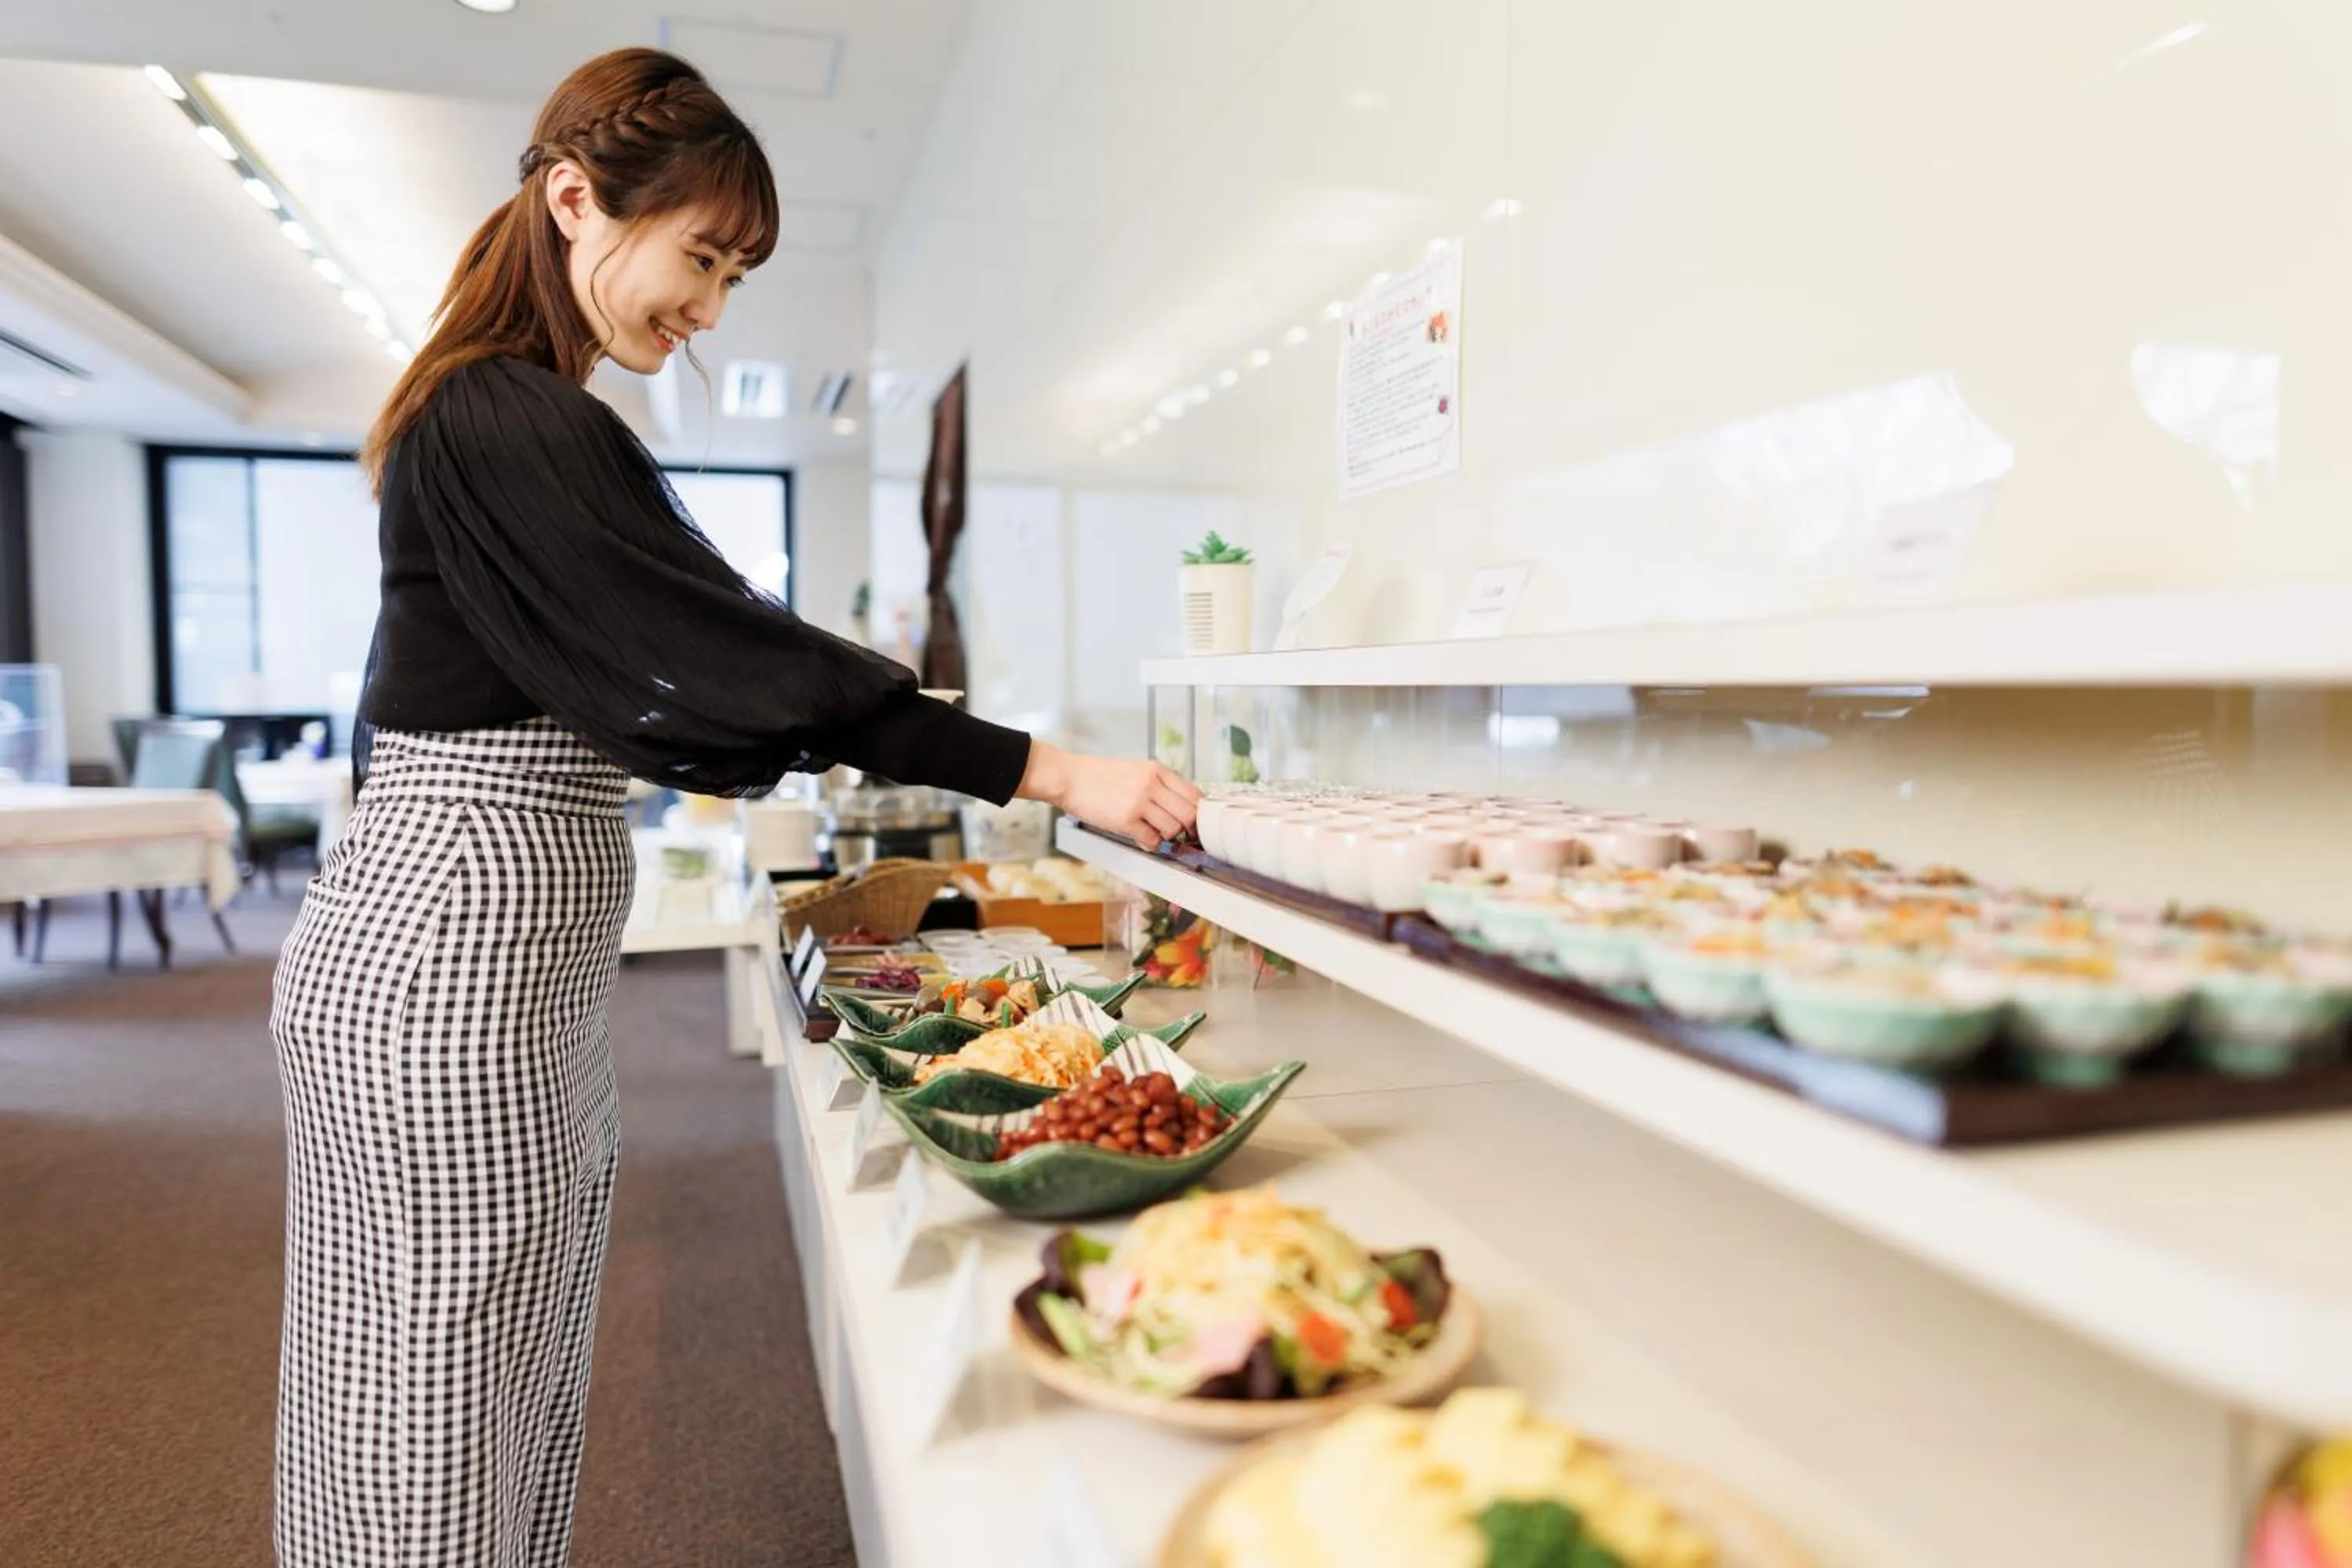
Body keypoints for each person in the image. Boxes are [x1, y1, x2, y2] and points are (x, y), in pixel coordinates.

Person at [268, 46, 1197, 1567]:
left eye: (732, 276)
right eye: (700, 257)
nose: (705, 308)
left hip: (495, 961)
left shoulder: (531, 419)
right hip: (443, 960)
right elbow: (741, 658)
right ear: (574, 201)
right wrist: (1053, 769)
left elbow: (714, 666)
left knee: (512, 1358)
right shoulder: (502, 419)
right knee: (428, 1386)